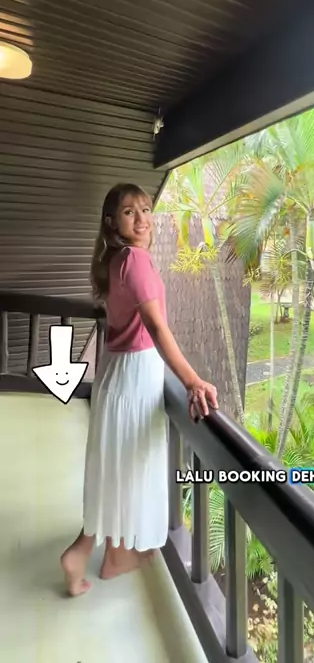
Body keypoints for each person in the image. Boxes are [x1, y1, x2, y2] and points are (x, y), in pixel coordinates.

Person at [60, 183, 218, 596]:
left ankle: (96, 553)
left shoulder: (116, 260)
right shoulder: (137, 260)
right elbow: (157, 328)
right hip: (133, 374)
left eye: (146, 209)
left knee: (118, 463)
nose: (142, 218)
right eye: (130, 212)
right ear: (112, 222)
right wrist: (192, 380)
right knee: (130, 464)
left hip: (117, 372)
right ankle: (104, 553)